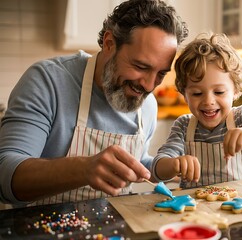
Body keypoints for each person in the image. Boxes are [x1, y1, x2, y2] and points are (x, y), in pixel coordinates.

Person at [0, 0, 188, 207]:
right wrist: (82, 169)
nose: (149, 85)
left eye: (161, 73)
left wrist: (169, 166)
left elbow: (137, 162)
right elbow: (5, 175)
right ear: (109, 43)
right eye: (140, 66)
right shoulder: (47, 81)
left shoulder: (148, 104)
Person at [151, 33, 242, 189]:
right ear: (185, 94)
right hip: (196, 211)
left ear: (236, 90)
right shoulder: (184, 126)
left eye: (219, 92)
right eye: (197, 93)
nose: (208, 101)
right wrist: (174, 164)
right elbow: (157, 169)